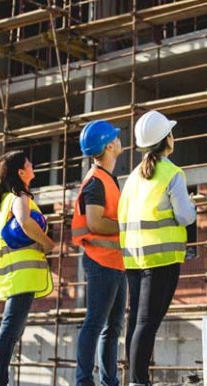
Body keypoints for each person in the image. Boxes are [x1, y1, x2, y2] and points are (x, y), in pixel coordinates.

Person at [118, 110, 196, 386]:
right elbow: (186, 216)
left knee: (139, 322)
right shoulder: (172, 173)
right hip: (161, 258)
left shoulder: (131, 178)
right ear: (167, 140)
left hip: (134, 259)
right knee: (147, 322)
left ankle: (137, 378)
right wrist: (194, 206)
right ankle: (139, 381)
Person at [0, 150, 56, 386]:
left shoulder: (7, 199)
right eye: (29, 163)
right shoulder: (19, 197)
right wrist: (47, 243)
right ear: (20, 172)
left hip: (16, 273)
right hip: (21, 275)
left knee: (11, 330)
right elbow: (25, 222)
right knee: (10, 330)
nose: (33, 166)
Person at [72, 120, 127, 386]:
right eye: (115, 137)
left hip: (114, 262)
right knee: (95, 323)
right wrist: (128, 227)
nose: (119, 140)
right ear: (108, 145)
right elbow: (95, 223)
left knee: (112, 327)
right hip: (101, 262)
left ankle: (109, 381)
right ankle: (84, 381)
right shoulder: (96, 182)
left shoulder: (107, 179)